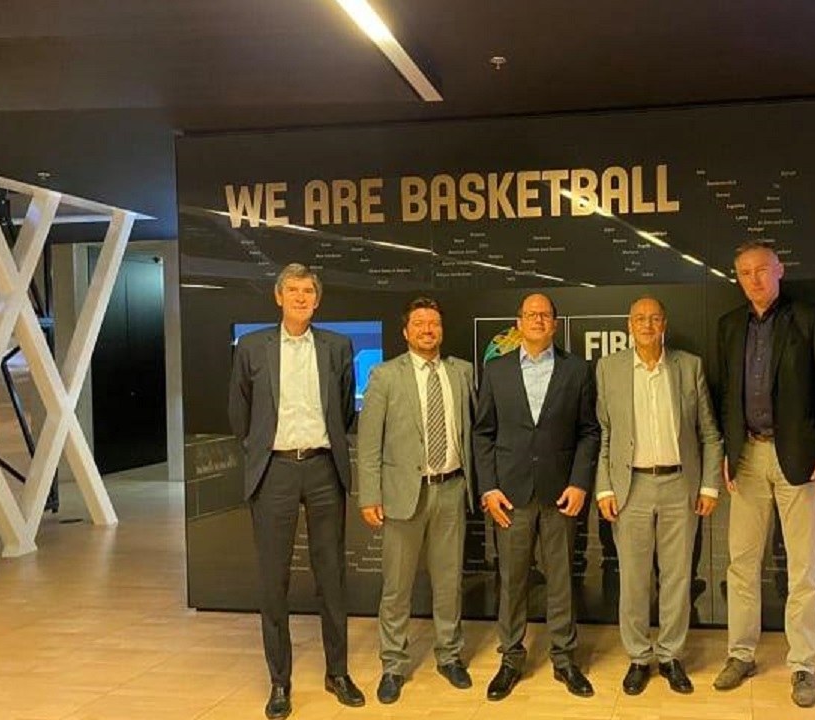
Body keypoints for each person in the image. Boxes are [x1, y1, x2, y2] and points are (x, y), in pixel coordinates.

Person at [712, 241, 815, 708]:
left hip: (801, 460)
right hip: (748, 459)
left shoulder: (809, 318)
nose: (754, 279)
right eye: (745, 273)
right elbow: (727, 395)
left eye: (761, 270)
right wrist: (729, 450)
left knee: (802, 569)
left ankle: (802, 665)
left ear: (779, 270)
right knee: (741, 564)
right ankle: (741, 654)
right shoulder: (729, 325)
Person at [227, 263, 365, 719]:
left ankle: (337, 673)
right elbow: (239, 412)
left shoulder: (337, 346)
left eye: (308, 291)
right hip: (275, 470)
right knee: (274, 581)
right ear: (278, 296)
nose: (301, 297)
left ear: (317, 300)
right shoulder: (252, 347)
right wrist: (263, 454)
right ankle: (279, 682)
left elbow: (344, 409)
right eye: (293, 290)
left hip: (324, 467)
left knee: (332, 577)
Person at [473, 292, 601, 701]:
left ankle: (564, 658)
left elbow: (589, 431)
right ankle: (511, 658)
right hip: (510, 496)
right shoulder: (496, 370)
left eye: (545, 315)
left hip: (561, 493)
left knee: (561, 579)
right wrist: (489, 487)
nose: (538, 320)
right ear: (519, 322)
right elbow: (483, 433)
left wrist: (580, 483)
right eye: (531, 314)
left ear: (555, 324)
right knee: (512, 581)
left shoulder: (577, 370)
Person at [595, 296, 722, 695]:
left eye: (653, 319)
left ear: (664, 323)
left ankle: (669, 655)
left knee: (677, 576)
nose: (647, 325)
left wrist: (709, 484)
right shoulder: (609, 368)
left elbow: (709, 433)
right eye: (639, 319)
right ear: (628, 325)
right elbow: (603, 433)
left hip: (679, 485)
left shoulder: (689, 366)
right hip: (630, 487)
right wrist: (604, 486)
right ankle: (638, 657)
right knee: (633, 579)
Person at [356, 297, 476, 704]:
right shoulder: (384, 375)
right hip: (403, 494)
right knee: (397, 586)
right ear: (406, 331)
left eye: (434, 323)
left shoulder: (462, 372)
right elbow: (369, 443)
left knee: (449, 582)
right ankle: (393, 664)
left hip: (452, 489)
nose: (428, 330)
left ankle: (450, 655)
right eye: (420, 323)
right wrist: (370, 494)